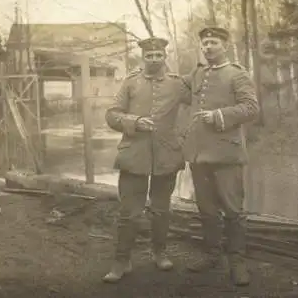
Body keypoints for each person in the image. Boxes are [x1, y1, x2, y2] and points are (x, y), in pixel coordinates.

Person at [103, 36, 189, 283]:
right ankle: (122, 260)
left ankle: (160, 252)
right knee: (129, 212)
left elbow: (200, 102)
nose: (154, 59)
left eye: (158, 56)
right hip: (134, 155)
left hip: (167, 154)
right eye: (149, 56)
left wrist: (183, 136)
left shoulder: (177, 84)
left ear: (165, 57)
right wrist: (135, 122)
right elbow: (111, 115)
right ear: (143, 58)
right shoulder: (130, 82)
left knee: (161, 210)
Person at [181, 26, 259, 286]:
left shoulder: (237, 74)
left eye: (213, 42)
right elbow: (174, 87)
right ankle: (212, 255)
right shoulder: (197, 73)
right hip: (199, 154)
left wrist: (219, 116)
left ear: (225, 45)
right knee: (207, 210)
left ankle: (237, 262)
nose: (208, 47)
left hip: (226, 153)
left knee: (233, 211)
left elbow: (251, 108)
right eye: (204, 43)